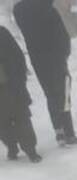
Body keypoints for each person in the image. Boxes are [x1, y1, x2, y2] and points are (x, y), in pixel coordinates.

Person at [12, 0, 77, 145]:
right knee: (64, 93)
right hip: (56, 58)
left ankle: (59, 132)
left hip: (38, 60)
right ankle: (69, 133)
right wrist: (65, 52)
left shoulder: (20, 12)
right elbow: (62, 35)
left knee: (50, 94)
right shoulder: (49, 12)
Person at [0, 25, 40, 162]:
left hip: (11, 85)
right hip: (10, 86)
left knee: (22, 117)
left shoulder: (2, 33)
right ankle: (12, 147)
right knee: (2, 123)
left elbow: (16, 55)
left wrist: (20, 77)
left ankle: (31, 150)